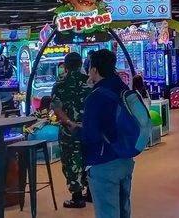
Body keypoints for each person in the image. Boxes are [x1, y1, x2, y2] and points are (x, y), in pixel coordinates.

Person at [80, 49, 135, 218]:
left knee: (107, 212)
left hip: (103, 161)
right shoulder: (123, 88)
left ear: (94, 70)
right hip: (126, 156)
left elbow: (90, 135)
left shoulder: (95, 97)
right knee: (123, 209)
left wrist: (75, 129)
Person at [51, 52, 92, 209]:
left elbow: (56, 107)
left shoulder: (60, 83)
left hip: (69, 130)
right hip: (88, 129)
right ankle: (90, 193)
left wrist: (68, 122)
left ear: (65, 66)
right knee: (89, 158)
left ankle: (77, 198)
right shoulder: (88, 82)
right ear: (81, 64)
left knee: (71, 161)